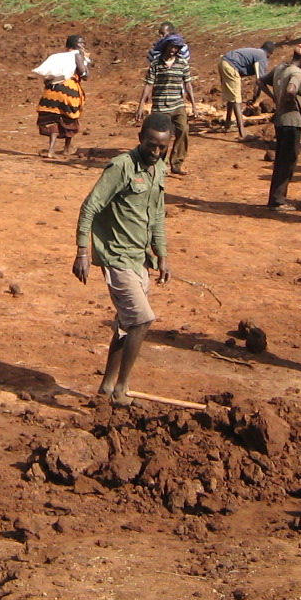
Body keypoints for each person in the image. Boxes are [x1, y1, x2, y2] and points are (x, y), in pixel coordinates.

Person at [73, 113, 174, 404]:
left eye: (162, 147)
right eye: (151, 145)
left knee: (124, 325)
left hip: (139, 259)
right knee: (142, 321)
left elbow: (157, 215)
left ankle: (106, 387)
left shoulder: (159, 168)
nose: (156, 152)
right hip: (117, 257)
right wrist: (82, 251)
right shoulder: (121, 167)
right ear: (140, 138)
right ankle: (122, 388)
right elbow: (89, 207)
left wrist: (162, 254)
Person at [267, 43, 301, 209]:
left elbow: (260, 81)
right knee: (288, 161)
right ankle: (278, 201)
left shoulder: (281, 67)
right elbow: (291, 89)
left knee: (281, 159)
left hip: (280, 120)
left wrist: (275, 99)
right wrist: (289, 102)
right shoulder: (296, 72)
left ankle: (274, 198)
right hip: (291, 122)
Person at [139, 34, 196, 175]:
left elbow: (187, 84)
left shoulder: (182, 63)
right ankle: (159, 164)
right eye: (171, 46)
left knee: (183, 130)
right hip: (160, 107)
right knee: (160, 137)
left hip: (177, 104)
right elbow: (149, 85)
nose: (173, 50)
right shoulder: (156, 64)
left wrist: (194, 105)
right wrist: (141, 105)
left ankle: (177, 163)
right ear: (166, 46)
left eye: (176, 47)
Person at [36, 36, 92, 159]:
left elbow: (47, 78)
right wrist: (85, 63)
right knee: (69, 118)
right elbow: (84, 75)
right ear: (76, 45)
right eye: (81, 43)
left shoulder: (56, 56)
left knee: (53, 118)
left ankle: (51, 150)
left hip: (51, 92)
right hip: (69, 90)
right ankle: (67, 148)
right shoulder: (78, 55)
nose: (83, 45)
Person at [217, 41, 277, 139]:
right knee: (236, 100)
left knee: (232, 97)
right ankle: (242, 133)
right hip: (231, 66)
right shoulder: (262, 57)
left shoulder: (256, 52)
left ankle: (228, 125)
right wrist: (259, 98)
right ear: (270, 53)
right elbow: (259, 81)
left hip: (223, 63)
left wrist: (255, 97)